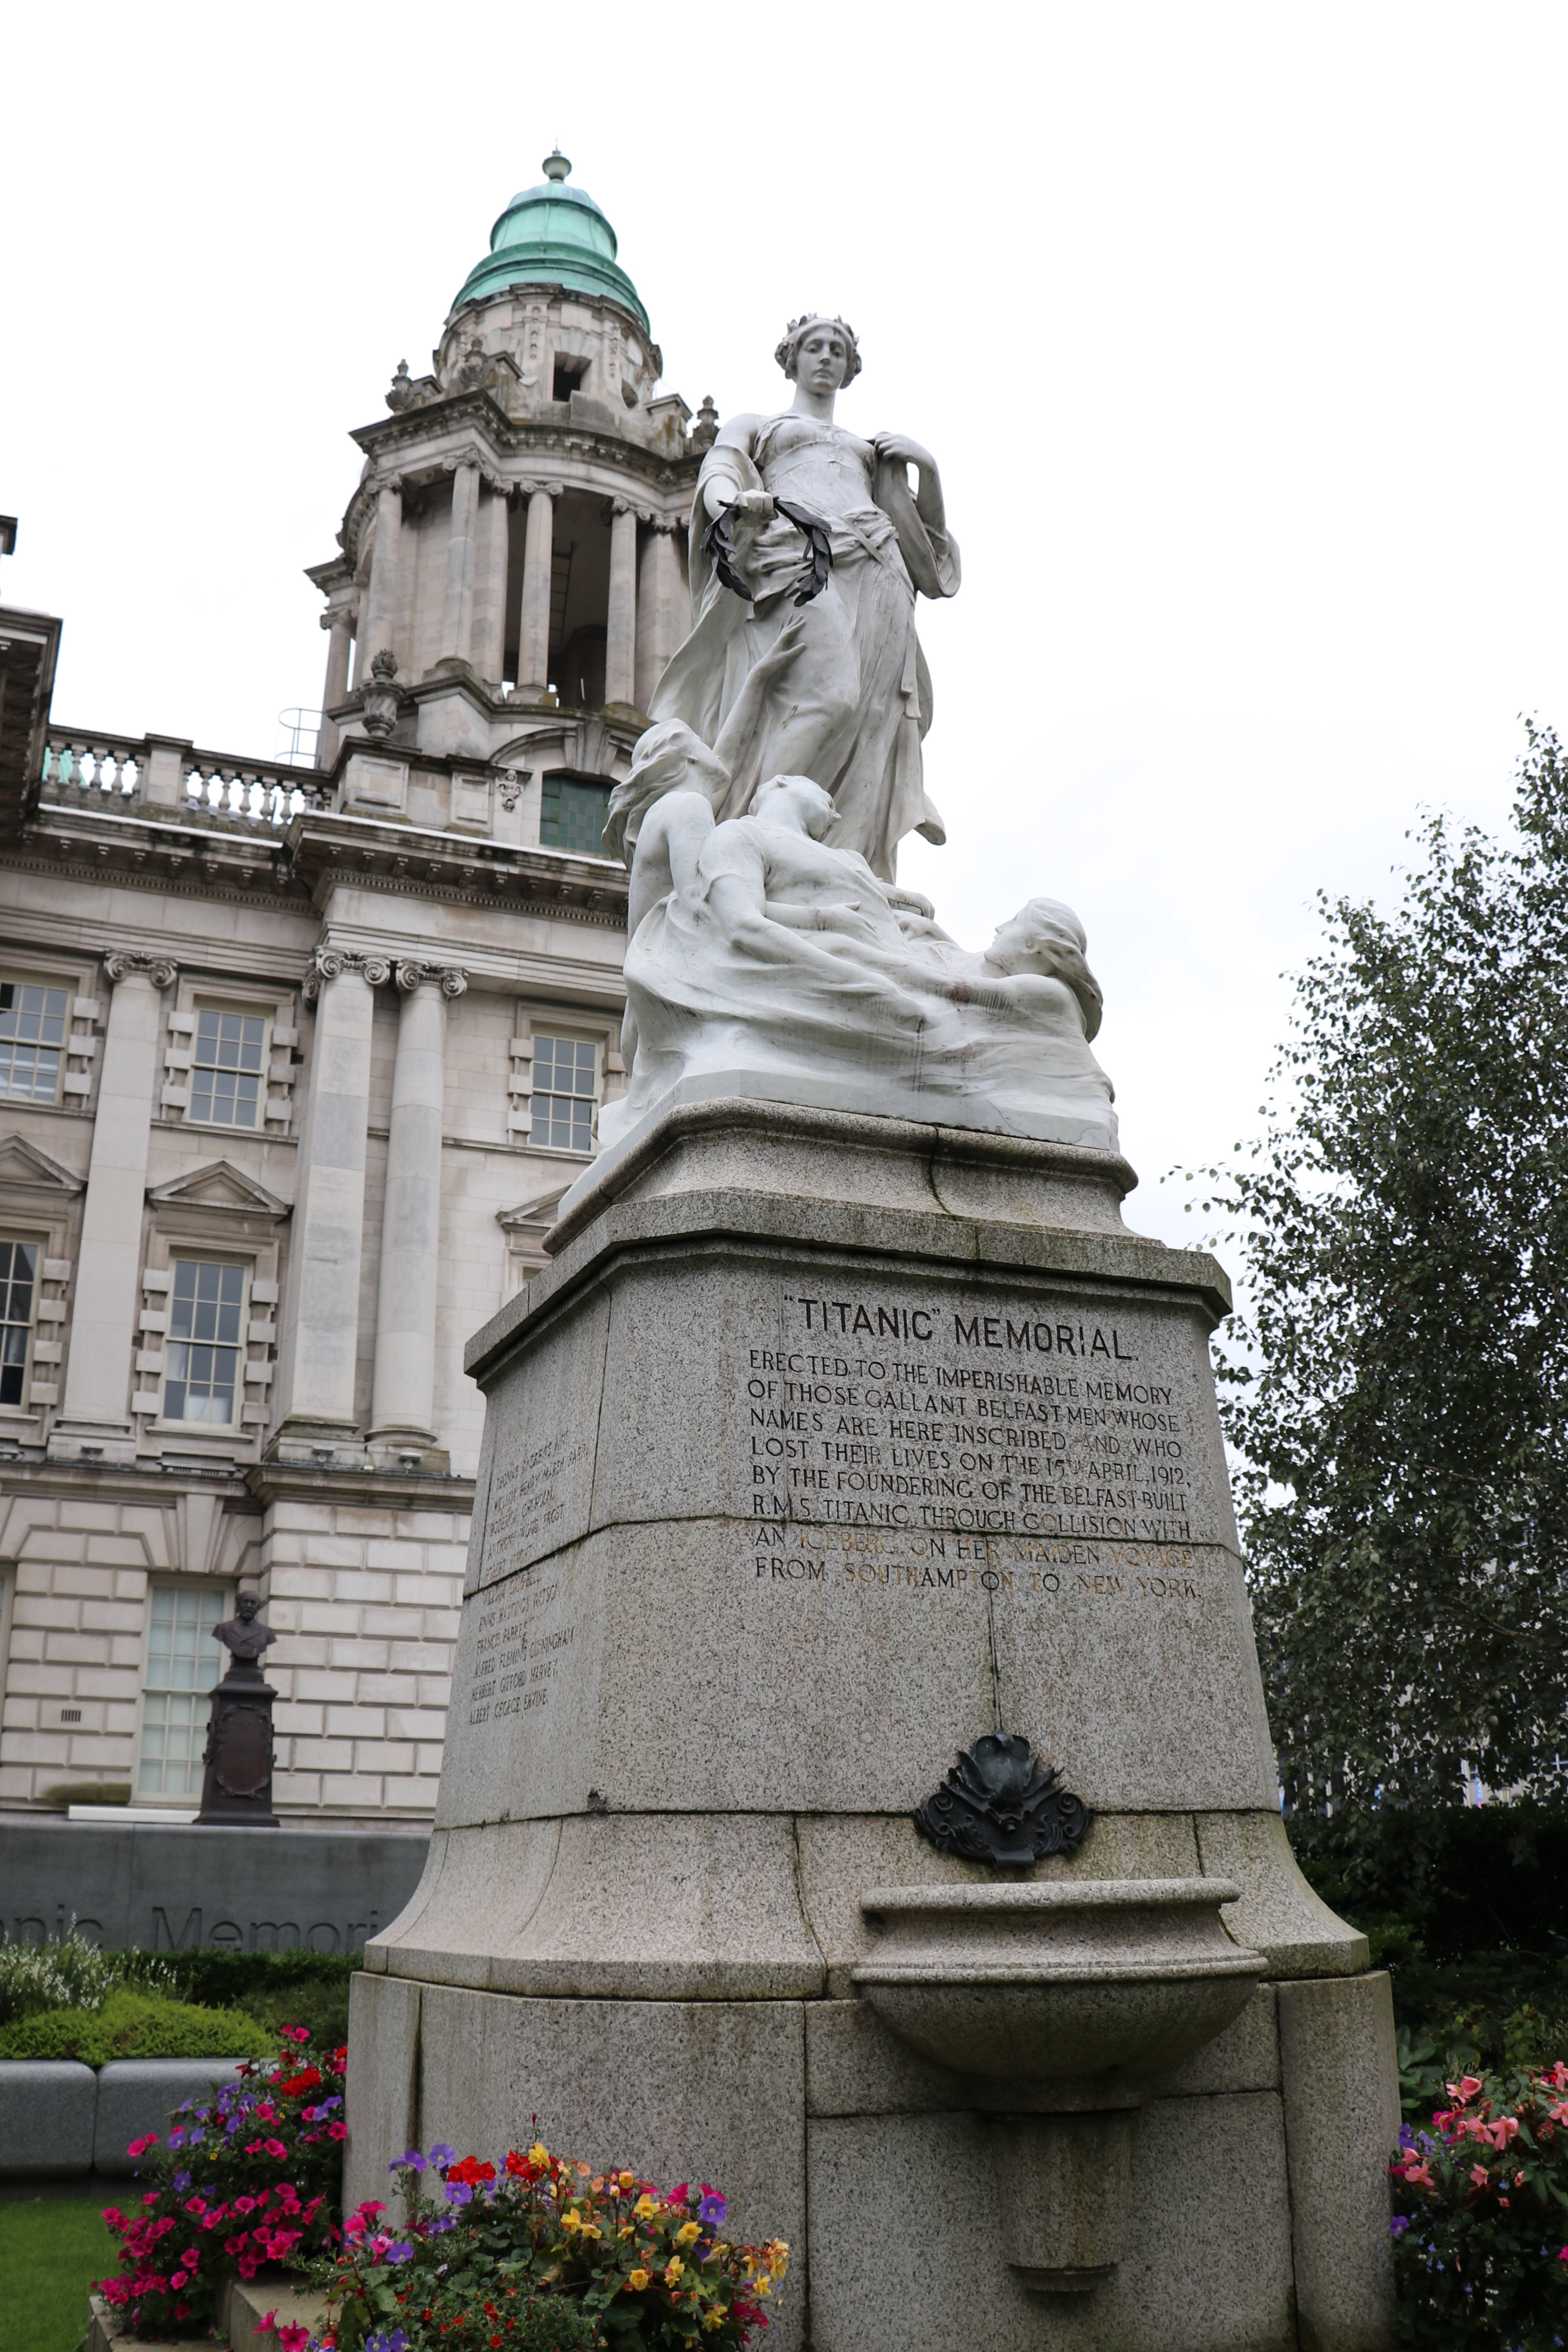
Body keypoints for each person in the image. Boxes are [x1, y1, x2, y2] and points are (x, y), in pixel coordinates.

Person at [644, 316, 959, 882]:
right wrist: (731, 507)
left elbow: (932, 557)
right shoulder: (758, 425)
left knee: (873, 717)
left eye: (837, 349)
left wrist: (928, 470)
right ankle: (755, 827)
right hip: (799, 553)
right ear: (792, 358)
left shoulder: (872, 451)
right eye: (814, 346)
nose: (826, 357)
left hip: (880, 571)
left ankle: (847, 859)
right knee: (832, 692)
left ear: (850, 366)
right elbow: (720, 470)